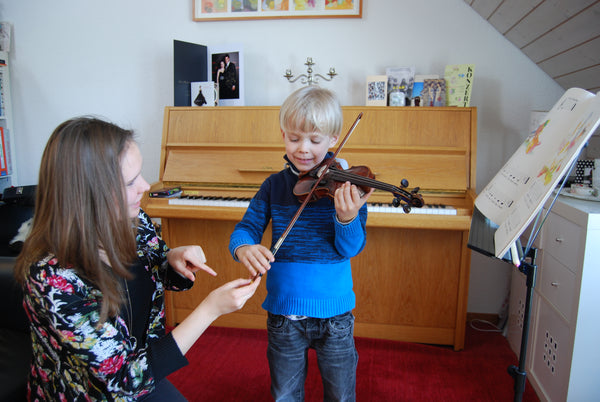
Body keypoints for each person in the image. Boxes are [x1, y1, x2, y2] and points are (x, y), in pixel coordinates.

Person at [14, 117, 261, 401]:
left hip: (143, 369)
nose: (145, 186)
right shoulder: (53, 281)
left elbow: (157, 273)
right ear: (89, 195)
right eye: (131, 181)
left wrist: (173, 259)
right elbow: (125, 381)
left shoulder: (134, 221)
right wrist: (210, 310)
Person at [229, 86, 373, 401]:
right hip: (284, 314)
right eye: (294, 138)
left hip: (334, 316)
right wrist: (244, 248)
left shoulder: (347, 187)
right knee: (285, 394)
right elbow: (245, 228)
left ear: (334, 139)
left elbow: (350, 249)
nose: (303, 149)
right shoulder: (273, 186)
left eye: (315, 140)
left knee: (340, 394)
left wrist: (346, 218)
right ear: (283, 135)